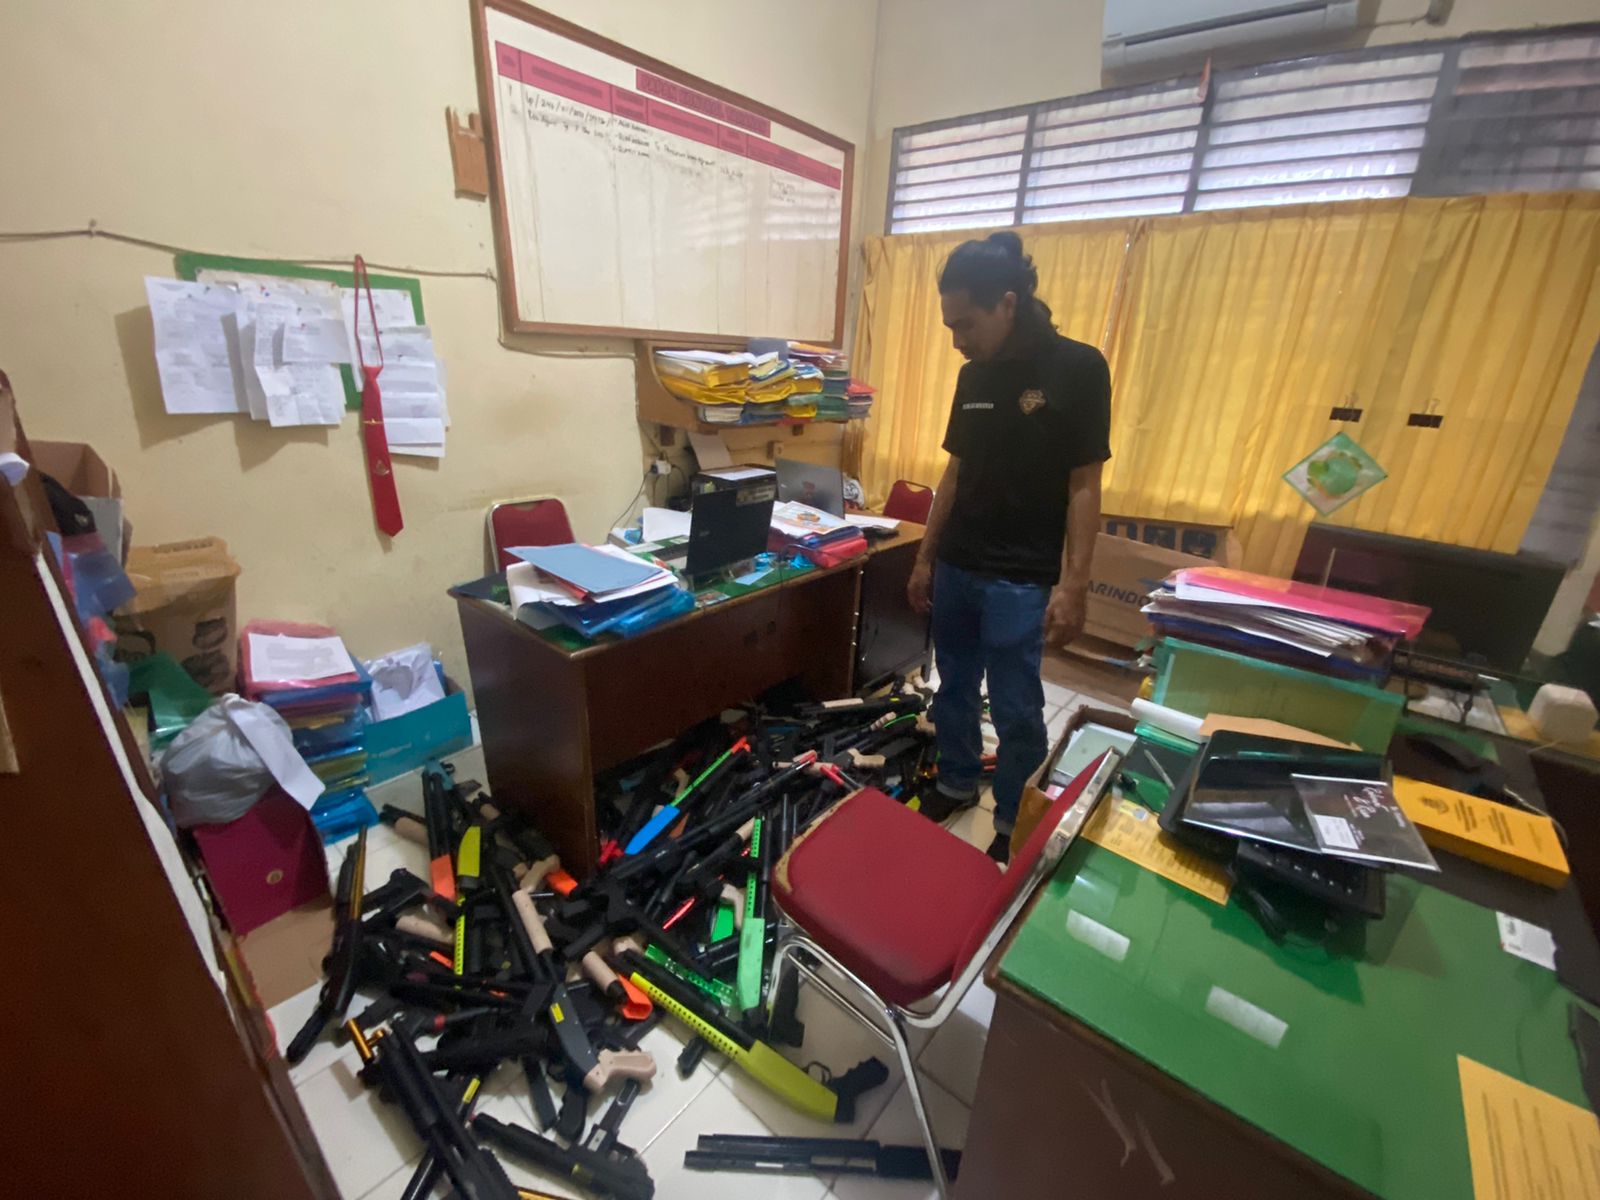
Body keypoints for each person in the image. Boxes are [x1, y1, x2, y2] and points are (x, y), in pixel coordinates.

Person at [907, 231, 1111, 863]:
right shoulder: (973, 375)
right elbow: (955, 471)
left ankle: (1010, 814)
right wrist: (924, 557)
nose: (956, 340)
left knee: (1018, 704)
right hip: (959, 563)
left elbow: (1084, 485)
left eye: (965, 324)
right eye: (950, 326)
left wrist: (1075, 585)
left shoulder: (1078, 369)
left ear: (1008, 303)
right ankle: (955, 780)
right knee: (953, 686)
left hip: (1021, 576)